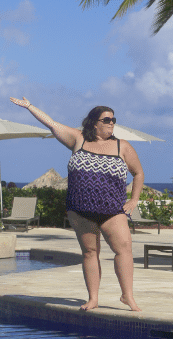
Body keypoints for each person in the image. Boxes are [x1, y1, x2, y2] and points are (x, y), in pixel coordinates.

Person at [10, 97, 143, 311]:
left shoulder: (122, 146)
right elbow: (52, 124)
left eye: (113, 119)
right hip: (81, 209)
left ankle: (127, 296)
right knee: (90, 252)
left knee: (124, 249)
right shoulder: (78, 139)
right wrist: (30, 106)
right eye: (107, 119)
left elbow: (138, 173)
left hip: (112, 210)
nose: (111, 123)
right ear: (93, 123)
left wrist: (134, 199)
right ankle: (93, 298)